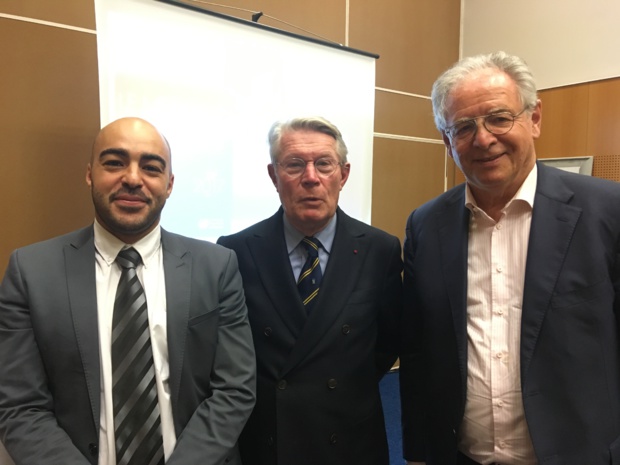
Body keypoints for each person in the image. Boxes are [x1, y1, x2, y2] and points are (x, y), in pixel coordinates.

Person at [399, 50, 620, 465]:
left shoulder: (608, 213)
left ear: (534, 119)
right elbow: (417, 353)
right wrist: (417, 451)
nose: (483, 139)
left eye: (499, 118)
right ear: (447, 141)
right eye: (463, 127)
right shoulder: (426, 226)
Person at [0, 117, 256, 465]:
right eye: (115, 163)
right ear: (90, 174)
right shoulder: (30, 272)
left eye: (151, 167)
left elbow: (234, 389)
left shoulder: (217, 266)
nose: (133, 179)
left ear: (169, 184)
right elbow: (20, 405)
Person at [217, 116, 402, 465]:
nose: (311, 177)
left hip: (350, 438)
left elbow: (387, 343)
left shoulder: (381, 250)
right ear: (274, 176)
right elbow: (229, 354)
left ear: (343, 175)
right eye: (295, 165)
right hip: (268, 440)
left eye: (324, 164)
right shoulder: (237, 251)